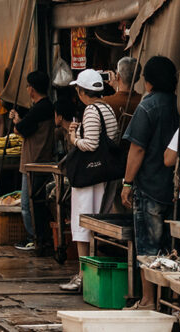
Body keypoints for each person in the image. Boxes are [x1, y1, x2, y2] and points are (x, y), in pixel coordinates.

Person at [121, 56, 180, 310]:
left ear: (149, 82)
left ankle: (147, 301)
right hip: (174, 188)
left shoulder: (148, 107)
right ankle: (166, 301)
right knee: (168, 248)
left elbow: (137, 150)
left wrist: (126, 182)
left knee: (147, 246)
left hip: (149, 186)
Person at [60, 69, 118, 292]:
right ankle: (89, 273)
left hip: (89, 177)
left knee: (82, 223)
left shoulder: (92, 111)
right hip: (103, 175)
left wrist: (74, 138)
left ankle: (83, 275)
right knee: (93, 223)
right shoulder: (107, 108)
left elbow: (91, 145)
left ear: (82, 91)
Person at [10, 71, 55, 252]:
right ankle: (38, 237)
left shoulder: (40, 108)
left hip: (33, 162)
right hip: (39, 160)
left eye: (28, 86)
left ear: (32, 89)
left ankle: (33, 237)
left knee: (28, 204)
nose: (27, 89)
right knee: (35, 202)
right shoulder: (45, 107)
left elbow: (20, 129)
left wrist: (17, 121)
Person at [101, 57, 142, 213]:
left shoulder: (106, 102)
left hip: (111, 165)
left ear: (117, 76)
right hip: (137, 166)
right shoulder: (143, 102)